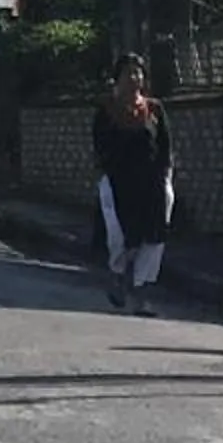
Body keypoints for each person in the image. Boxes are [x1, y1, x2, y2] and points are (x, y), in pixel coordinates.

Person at [91, 54, 174, 314]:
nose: (134, 78)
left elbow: (165, 146)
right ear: (117, 79)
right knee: (121, 235)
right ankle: (117, 274)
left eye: (138, 73)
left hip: (152, 181)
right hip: (120, 183)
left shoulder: (154, 109)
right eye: (128, 73)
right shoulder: (107, 112)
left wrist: (166, 175)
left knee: (154, 235)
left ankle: (141, 290)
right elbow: (101, 148)